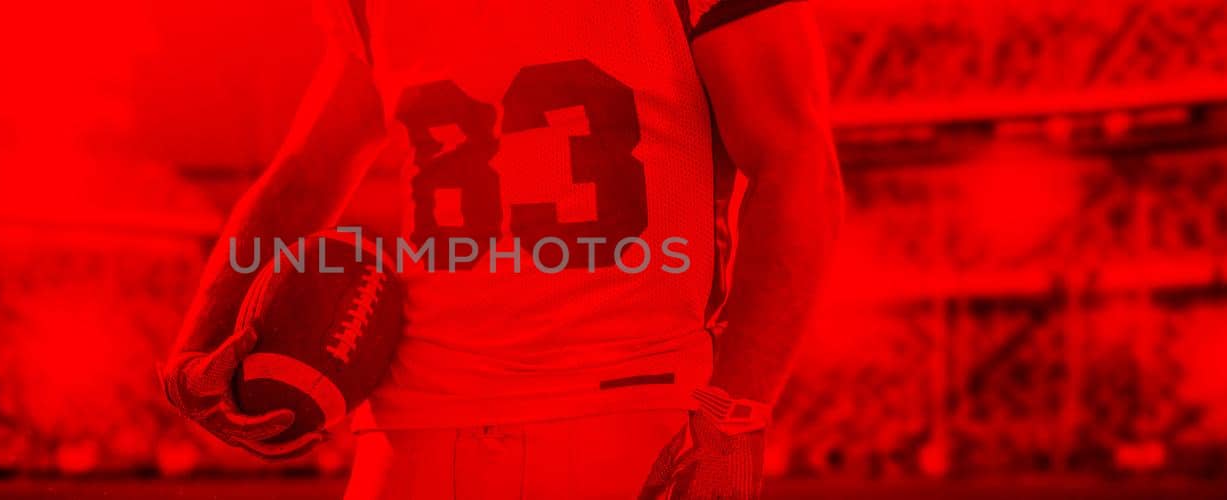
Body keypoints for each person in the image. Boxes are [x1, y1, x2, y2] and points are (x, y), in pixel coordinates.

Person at [160, 0, 842, 497]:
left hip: (619, 406)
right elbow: (308, 174)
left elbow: (796, 162)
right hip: (411, 425)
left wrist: (734, 418)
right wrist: (195, 349)